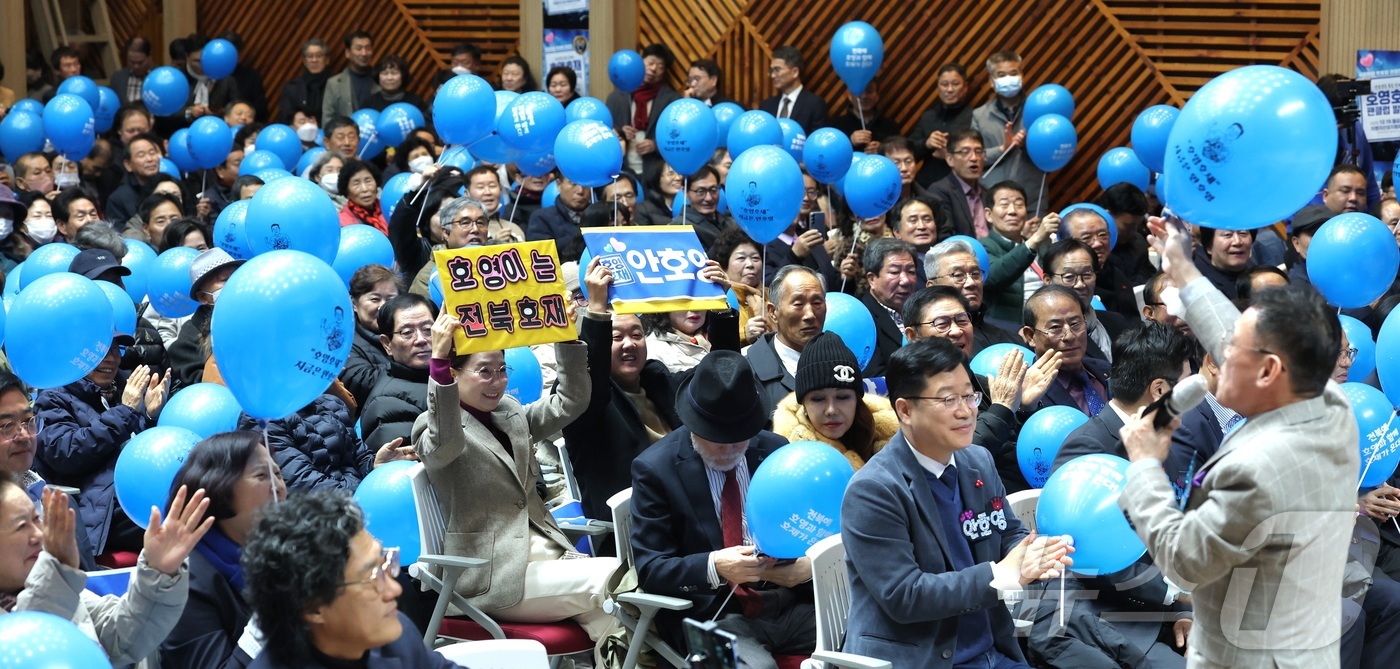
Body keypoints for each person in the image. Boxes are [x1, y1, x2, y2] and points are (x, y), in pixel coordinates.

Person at [1120, 216, 1359, 667]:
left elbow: (1184, 560)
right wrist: (1183, 270)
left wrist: (1145, 465)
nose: (1218, 355)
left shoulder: (1255, 470)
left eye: (1232, 355)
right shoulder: (1328, 402)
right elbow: (1237, 334)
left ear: (1269, 370)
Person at [839, 337, 1072, 667]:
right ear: (905, 409)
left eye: (969, 396)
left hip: (993, 649)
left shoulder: (976, 460)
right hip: (920, 657)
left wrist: (1034, 551)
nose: (966, 411)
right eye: (948, 399)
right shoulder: (873, 490)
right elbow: (905, 595)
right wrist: (1000, 574)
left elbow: (1005, 534)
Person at [416, 305, 616, 641]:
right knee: (614, 576)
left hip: (546, 552)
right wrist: (437, 361)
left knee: (612, 619)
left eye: (501, 369)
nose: (497, 382)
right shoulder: (433, 428)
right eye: (484, 371)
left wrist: (565, 337)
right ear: (455, 372)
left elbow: (571, 401)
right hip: (490, 575)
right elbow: (444, 444)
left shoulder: (508, 410)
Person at [630, 349, 815, 666]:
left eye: (740, 438)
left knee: (873, 633)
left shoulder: (773, 451)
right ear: (693, 425)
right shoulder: (656, 469)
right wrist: (715, 566)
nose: (730, 448)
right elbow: (652, 569)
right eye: (718, 438)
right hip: (711, 611)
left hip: (785, 600)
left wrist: (808, 566)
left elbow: (808, 526)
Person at [565, 258, 739, 520]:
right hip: (634, 525)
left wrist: (719, 307)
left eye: (636, 335)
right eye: (616, 337)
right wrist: (598, 308)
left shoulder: (658, 379)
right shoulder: (581, 396)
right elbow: (592, 380)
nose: (629, 344)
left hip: (693, 506)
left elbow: (721, 377)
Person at [1, 477, 211, 667]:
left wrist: (158, 572)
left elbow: (123, 636)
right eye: (21, 526)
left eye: (37, 519)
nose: (38, 534)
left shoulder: (61, 587)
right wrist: (57, 572)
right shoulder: (56, 581)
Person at [240, 490, 463, 668]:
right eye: (373, 576)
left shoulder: (396, 636)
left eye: (385, 563)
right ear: (313, 606)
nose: (394, 590)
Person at [159, 432, 288, 668]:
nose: (278, 487)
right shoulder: (183, 578)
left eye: (278, 474)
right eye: (263, 475)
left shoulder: (284, 554)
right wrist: (277, 606)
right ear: (220, 488)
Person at [34, 335, 164, 558]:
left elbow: (136, 450)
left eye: (116, 350)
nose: (111, 359)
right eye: (101, 351)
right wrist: (126, 411)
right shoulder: (53, 397)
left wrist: (150, 416)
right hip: (97, 509)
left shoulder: (121, 392)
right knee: (178, 515)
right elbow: (67, 453)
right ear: (79, 355)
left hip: (134, 491)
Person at [772, 332, 897, 470]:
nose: (831, 410)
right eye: (818, 399)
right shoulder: (790, 460)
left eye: (842, 397)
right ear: (803, 405)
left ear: (857, 400)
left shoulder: (893, 441)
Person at [1020, 285, 1111, 419]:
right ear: (1030, 336)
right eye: (1055, 327)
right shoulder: (1024, 392)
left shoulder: (1106, 370)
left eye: (1075, 324)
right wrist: (1025, 409)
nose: (1069, 336)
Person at [972, 50, 1045, 214]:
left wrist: (1029, 145)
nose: (1008, 79)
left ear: (1021, 76)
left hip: (1032, 200)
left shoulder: (1038, 110)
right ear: (992, 81)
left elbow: (1051, 152)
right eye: (1001, 75)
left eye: (1013, 73)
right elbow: (973, 157)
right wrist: (1002, 149)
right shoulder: (979, 116)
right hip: (994, 202)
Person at [360, 294, 436, 448]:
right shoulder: (386, 403)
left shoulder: (452, 375)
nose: (421, 339)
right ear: (387, 344)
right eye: (407, 332)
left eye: (428, 329)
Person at [747, 265, 827, 409]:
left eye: (817, 303)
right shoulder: (748, 372)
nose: (810, 315)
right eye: (798, 304)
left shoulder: (841, 364)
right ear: (773, 312)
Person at [979, 182, 1058, 324]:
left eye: (1019, 205)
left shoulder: (1039, 248)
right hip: (1006, 329)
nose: (1012, 211)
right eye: (1004, 205)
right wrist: (1035, 239)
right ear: (989, 215)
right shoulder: (982, 246)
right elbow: (992, 277)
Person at [1042, 238, 1131, 362]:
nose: (1080, 284)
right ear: (1048, 280)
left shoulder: (1116, 322)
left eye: (1087, 275)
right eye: (1069, 277)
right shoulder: (1043, 334)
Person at [169, 248, 242, 391]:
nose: (233, 284)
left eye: (236, 276)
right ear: (203, 297)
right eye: (224, 280)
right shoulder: (188, 341)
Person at [606, 43, 681, 174]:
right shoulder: (617, 97)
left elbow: (679, 136)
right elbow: (606, 130)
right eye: (650, 63)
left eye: (660, 67)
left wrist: (655, 145)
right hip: (621, 169)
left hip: (656, 172)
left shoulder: (671, 100)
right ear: (640, 63)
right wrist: (620, 133)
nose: (653, 69)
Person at [1060, 207, 1138, 323]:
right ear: (1067, 242)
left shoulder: (1117, 272)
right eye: (1086, 237)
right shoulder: (1064, 281)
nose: (1097, 243)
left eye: (1102, 235)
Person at [341, 264, 401, 408]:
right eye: (375, 299)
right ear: (354, 303)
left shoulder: (410, 332)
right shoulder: (345, 342)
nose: (383, 306)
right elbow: (363, 382)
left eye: (390, 299)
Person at [860, 239, 920, 377]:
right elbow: (875, 378)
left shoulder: (921, 312)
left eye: (911, 271)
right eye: (894, 272)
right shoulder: (863, 320)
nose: (905, 280)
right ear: (872, 279)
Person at [409, 195, 491, 295]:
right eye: (465, 223)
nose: (475, 229)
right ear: (446, 233)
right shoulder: (429, 277)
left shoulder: (500, 261)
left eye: (481, 222)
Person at [911, 63, 976, 188]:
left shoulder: (974, 116)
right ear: (938, 87)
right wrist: (927, 144)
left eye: (955, 84)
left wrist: (948, 155)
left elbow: (980, 156)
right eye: (944, 84)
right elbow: (910, 152)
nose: (949, 89)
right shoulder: (927, 117)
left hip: (961, 186)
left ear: (965, 87)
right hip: (927, 185)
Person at [925, 128, 990, 240]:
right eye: (965, 152)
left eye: (978, 151)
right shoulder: (939, 191)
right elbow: (946, 237)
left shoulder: (987, 193)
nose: (974, 158)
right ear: (950, 159)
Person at [710, 227, 769, 344]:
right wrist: (743, 334)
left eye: (755, 258)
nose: (750, 264)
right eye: (741, 258)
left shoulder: (773, 296)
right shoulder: (718, 299)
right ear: (724, 266)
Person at [760, 45, 828, 134]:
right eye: (771, 71)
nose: (772, 75)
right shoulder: (767, 106)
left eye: (777, 70)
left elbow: (816, 139)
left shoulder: (814, 104)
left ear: (794, 72)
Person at [524, 170, 591, 262]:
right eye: (573, 183)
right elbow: (539, 255)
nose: (580, 190)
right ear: (559, 185)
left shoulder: (599, 215)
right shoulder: (541, 218)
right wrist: (582, 233)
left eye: (585, 184)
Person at [1097, 182, 1155, 285]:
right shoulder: (1092, 252)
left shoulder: (1139, 243)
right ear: (1107, 216)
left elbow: (1151, 280)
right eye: (1129, 226)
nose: (1133, 231)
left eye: (1138, 225)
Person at [830, 80, 902, 154]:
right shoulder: (835, 126)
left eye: (869, 91)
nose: (864, 96)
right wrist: (849, 142)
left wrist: (883, 150)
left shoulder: (890, 126)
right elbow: (828, 155)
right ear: (849, 96)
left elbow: (900, 154)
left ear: (877, 96)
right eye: (859, 92)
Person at [322, 31, 379, 121]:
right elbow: (327, 120)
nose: (364, 53)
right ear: (347, 53)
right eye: (358, 48)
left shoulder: (381, 80)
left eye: (368, 48)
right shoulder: (334, 83)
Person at [669, 165, 730, 248]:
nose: (709, 198)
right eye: (701, 191)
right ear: (685, 192)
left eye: (713, 190)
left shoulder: (731, 222)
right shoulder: (679, 228)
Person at [1192, 226, 1256, 300]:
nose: (1237, 242)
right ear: (1209, 247)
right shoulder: (1204, 286)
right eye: (1227, 235)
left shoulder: (1259, 274)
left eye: (1243, 233)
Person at [278, 39, 331, 124]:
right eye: (310, 56)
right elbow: (284, 119)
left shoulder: (337, 85)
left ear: (327, 60)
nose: (314, 60)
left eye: (319, 55)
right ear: (304, 61)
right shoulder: (292, 87)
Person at [1285, 205, 1333, 286]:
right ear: (1297, 243)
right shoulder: (1298, 286)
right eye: (1314, 233)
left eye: (1328, 232)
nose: (1322, 239)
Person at [337, 158, 387, 234]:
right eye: (356, 184)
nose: (365, 189)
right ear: (346, 190)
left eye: (368, 181)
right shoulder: (342, 222)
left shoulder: (387, 209)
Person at [633, 161, 683, 228]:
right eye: (671, 174)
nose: (678, 178)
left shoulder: (690, 206)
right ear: (657, 178)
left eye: (680, 173)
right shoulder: (644, 210)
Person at [110, 37, 154, 105]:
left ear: (149, 57)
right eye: (132, 62)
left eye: (140, 63)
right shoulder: (118, 78)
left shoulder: (160, 77)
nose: (136, 66)